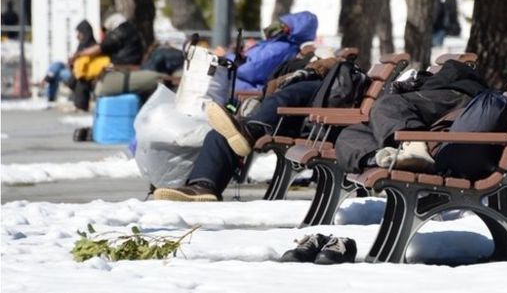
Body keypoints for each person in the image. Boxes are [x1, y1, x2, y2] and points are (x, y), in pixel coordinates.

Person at [152, 55, 345, 202]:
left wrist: (319, 67)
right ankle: (203, 186)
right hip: (282, 118)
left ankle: (250, 131)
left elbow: (336, 68)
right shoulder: (297, 73)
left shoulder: (328, 81)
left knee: (284, 97)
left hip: (313, 126)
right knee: (219, 134)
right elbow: (270, 89)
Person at [334, 59, 487, 174]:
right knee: (349, 134)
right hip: (430, 110)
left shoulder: (456, 76)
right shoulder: (439, 74)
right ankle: (386, 158)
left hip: (457, 97)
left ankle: (414, 148)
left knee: (386, 104)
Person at [41, 20, 97, 107]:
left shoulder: (91, 46)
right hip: (74, 70)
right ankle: (48, 79)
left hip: (80, 75)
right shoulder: (83, 45)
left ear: (85, 33)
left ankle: (48, 91)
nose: (77, 36)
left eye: (79, 33)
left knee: (57, 72)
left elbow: (83, 63)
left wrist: (73, 62)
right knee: (57, 64)